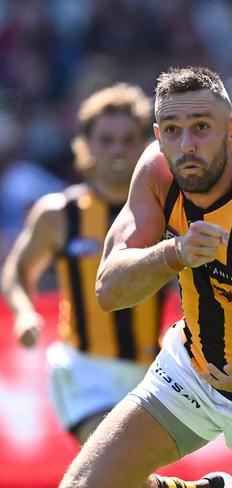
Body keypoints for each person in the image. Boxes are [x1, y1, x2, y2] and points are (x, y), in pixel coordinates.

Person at [59, 66, 232, 488]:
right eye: (172, 130)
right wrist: (174, 252)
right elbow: (109, 290)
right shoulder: (157, 172)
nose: (186, 145)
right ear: (158, 136)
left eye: (201, 128)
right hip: (190, 371)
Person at [1, 82, 165, 444]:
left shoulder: (166, 212)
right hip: (83, 369)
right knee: (108, 456)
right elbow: (16, 270)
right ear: (86, 145)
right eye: (106, 140)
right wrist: (25, 312)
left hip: (152, 370)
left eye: (127, 139)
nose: (117, 150)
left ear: (144, 145)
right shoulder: (59, 214)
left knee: (117, 477)